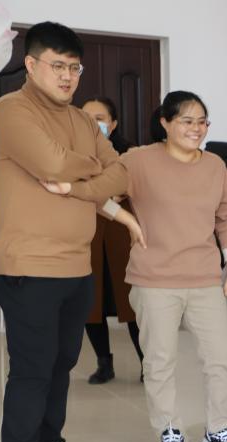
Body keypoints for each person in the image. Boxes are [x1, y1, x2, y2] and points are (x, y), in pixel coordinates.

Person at [47, 91, 227, 442]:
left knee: (221, 358)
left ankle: (219, 431)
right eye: (186, 121)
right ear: (165, 123)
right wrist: (124, 218)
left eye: (202, 122)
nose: (196, 129)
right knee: (159, 360)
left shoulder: (215, 166)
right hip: (154, 280)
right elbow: (97, 191)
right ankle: (169, 431)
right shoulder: (138, 161)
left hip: (205, 278)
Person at [0, 22, 143, 442]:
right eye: (58, 66)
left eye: (74, 68)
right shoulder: (11, 110)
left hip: (76, 266)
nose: (67, 76)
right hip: (28, 263)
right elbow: (52, 163)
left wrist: (75, 185)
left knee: (61, 365)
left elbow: (122, 174)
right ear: (31, 64)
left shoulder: (81, 120)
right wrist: (90, 168)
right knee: (32, 367)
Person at [80, 95, 144, 384]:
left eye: (100, 119)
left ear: (113, 123)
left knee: (131, 302)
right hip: (87, 233)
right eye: (86, 118)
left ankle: (147, 363)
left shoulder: (130, 153)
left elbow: (134, 186)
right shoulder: (72, 152)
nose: (93, 124)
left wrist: (111, 192)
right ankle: (104, 363)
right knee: (91, 304)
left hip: (121, 233)